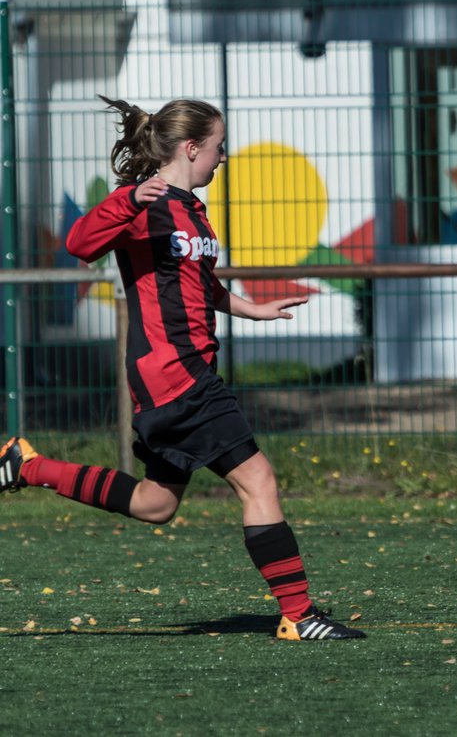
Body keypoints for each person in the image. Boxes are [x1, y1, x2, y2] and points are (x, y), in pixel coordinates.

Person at [0, 95, 363, 641]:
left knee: (156, 503)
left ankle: (26, 465)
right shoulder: (142, 201)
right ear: (192, 148)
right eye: (219, 148)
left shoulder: (191, 208)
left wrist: (249, 307)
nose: (223, 157)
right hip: (175, 373)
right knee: (258, 480)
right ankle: (299, 614)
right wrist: (125, 201)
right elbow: (78, 244)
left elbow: (197, 284)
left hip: (184, 371)